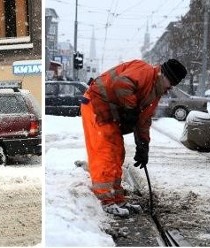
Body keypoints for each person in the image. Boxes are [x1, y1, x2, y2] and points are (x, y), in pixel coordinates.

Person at [80, 59, 187, 217]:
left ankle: (116, 197)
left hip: (109, 111)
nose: (170, 88)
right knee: (106, 152)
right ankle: (106, 200)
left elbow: (143, 120)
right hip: (96, 103)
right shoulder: (144, 71)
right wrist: (130, 108)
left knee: (118, 152)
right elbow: (121, 83)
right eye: (170, 83)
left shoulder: (154, 92)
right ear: (162, 75)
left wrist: (143, 146)